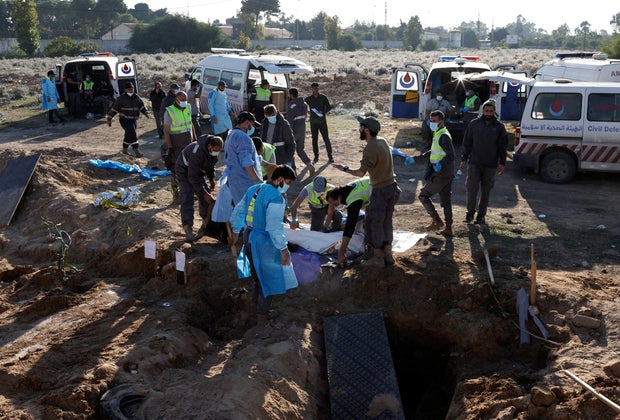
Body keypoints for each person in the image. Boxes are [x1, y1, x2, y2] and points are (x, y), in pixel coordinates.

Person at [230, 164, 298, 339]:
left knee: (257, 277)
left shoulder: (254, 189)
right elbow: (274, 227)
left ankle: (257, 310)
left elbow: (238, 211)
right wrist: (284, 249)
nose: (287, 187)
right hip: (264, 243)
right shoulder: (276, 198)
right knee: (266, 280)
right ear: (280, 179)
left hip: (249, 236)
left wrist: (235, 232)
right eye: (288, 182)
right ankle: (262, 321)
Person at [333, 116, 400, 268]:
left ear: (367, 130)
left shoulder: (370, 148)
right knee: (386, 222)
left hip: (380, 190)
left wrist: (345, 169)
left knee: (374, 223)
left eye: (361, 127)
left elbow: (360, 173)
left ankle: (377, 258)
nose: (360, 130)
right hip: (392, 187)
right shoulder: (382, 141)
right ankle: (388, 256)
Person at [460, 100, 508, 225]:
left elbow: (503, 146)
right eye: (486, 111)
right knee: (471, 189)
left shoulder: (499, 127)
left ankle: (481, 216)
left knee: (486, 191)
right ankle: (470, 213)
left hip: (491, 165)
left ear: (494, 112)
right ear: (483, 111)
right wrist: (464, 159)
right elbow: (467, 143)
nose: (488, 113)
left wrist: (502, 163)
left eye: (491, 111)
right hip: (474, 163)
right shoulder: (474, 124)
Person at [175, 134, 223, 242]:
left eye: (219, 151)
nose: (217, 152)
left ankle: (205, 224)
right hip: (184, 171)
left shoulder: (212, 151)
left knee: (206, 198)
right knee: (187, 197)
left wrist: (211, 179)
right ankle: (188, 229)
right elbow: (192, 176)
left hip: (197, 173)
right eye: (215, 150)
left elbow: (211, 165)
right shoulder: (197, 153)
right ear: (209, 146)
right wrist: (203, 192)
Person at [419, 110, 455, 236]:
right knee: (445, 201)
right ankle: (448, 228)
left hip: (441, 173)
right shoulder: (438, 133)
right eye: (430, 120)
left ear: (441, 121)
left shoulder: (443, 135)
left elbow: (451, 155)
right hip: (446, 173)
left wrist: (440, 164)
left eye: (434, 121)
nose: (431, 123)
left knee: (423, 196)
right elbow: (434, 151)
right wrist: (419, 157)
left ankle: (437, 220)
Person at [325, 178, 371, 266]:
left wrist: (341, 251)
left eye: (333, 203)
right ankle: (370, 249)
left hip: (385, 190)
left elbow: (350, 226)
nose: (333, 206)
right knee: (368, 219)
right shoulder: (346, 190)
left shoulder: (352, 198)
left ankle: (374, 252)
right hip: (377, 188)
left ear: (338, 197)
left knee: (373, 223)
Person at [223, 111, 263, 206]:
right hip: (244, 180)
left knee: (239, 208)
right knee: (248, 210)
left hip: (234, 179)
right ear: (247, 122)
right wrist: (257, 181)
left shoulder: (231, 134)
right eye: (252, 124)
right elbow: (247, 162)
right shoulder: (243, 138)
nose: (252, 128)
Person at [163, 90, 196, 204]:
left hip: (189, 143)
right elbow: (166, 131)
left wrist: (195, 139)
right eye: (182, 100)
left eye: (185, 100)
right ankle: (176, 195)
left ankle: (190, 193)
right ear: (176, 99)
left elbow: (190, 123)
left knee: (190, 168)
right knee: (176, 170)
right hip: (176, 145)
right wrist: (170, 147)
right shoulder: (169, 112)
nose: (184, 102)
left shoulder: (188, 107)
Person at [106, 81, 150, 157]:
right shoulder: (121, 98)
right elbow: (114, 109)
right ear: (125, 90)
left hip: (133, 119)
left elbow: (141, 106)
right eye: (129, 89)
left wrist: (146, 113)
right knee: (132, 133)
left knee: (128, 134)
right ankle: (136, 151)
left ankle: (124, 150)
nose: (131, 90)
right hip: (124, 119)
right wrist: (109, 118)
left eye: (132, 88)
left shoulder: (136, 97)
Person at [286, 88, 314, 175]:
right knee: (300, 149)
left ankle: (293, 170)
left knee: (290, 149)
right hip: (302, 130)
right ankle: (309, 164)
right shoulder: (305, 104)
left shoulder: (292, 105)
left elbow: (289, 121)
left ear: (291, 95)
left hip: (294, 131)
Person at [304, 82, 333, 163]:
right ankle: (316, 157)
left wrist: (323, 112)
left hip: (322, 121)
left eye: (316, 88)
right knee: (314, 139)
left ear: (318, 88)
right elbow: (303, 106)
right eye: (313, 89)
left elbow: (329, 107)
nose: (315, 90)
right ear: (311, 89)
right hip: (313, 122)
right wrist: (308, 112)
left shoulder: (323, 98)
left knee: (326, 139)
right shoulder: (308, 99)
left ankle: (330, 157)